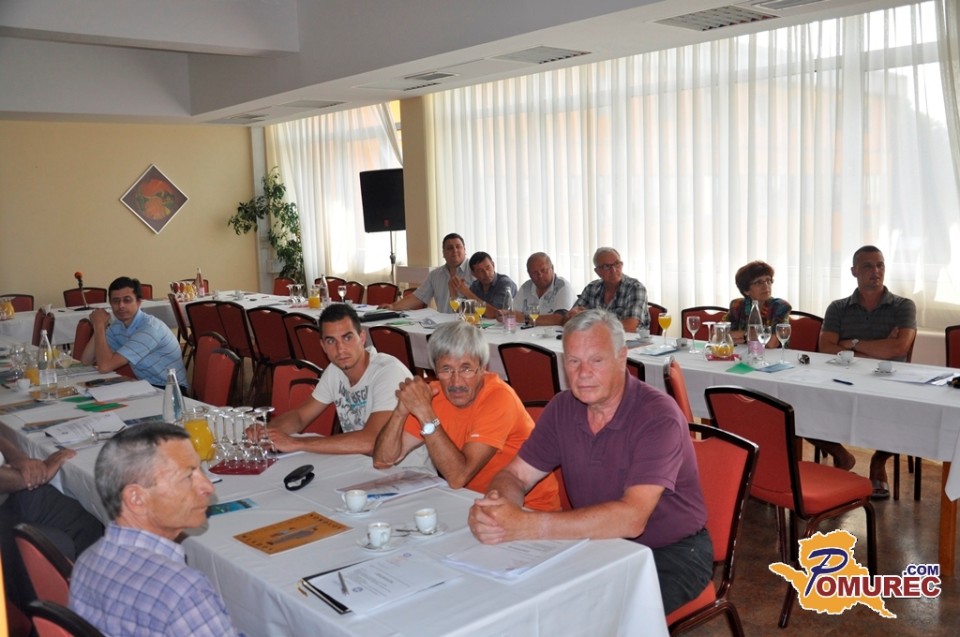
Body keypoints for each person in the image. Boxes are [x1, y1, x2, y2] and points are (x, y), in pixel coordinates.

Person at [467, 310, 711, 615]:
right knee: (515, 599)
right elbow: (515, 475)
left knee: (590, 616)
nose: (583, 373)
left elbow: (631, 518)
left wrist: (524, 525)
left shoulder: (657, 416)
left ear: (621, 358)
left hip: (670, 552)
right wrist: (497, 509)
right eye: (573, 361)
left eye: (596, 360)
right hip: (595, 542)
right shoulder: (563, 408)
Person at [70, 423, 240, 637]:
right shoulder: (182, 592)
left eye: (201, 470)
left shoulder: (87, 560)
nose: (208, 487)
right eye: (188, 477)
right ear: (136, 499)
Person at [372, 321, 561, 511]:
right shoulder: (433, 395)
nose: (456, 382)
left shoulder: (499, 398)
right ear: (434, 370)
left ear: (482, 368)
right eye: (446, 369)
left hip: (529, 509)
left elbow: (458, 477)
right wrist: (400, 411)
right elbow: (383, 460)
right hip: (472, 501)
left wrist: (426, 415)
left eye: (466, 369)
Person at [260, 304, 429, 469]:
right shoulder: (335, 371)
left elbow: (371, 441)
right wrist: (265, 433)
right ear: (323, 346)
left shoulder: (388, 372)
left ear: (362, 338)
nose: (340, 349)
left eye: (347, 338)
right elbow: (300, 416)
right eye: (331, 341)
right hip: (363, 466)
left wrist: (296, 443)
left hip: (407, 472)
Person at [818, 245, 917, 499]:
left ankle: (879, 460)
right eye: (868, 266)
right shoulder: (838, 307)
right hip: (843, 378)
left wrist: (850, 344)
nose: (876, 271)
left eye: (880, 265)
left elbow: (899, 348)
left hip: (889, 380)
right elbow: (826, 347)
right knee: (801, 404)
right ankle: (841, 455)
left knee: (907, 413)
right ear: (854, 271)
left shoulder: (903, 306)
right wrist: (879, 349)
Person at [0, 428, 103, 614]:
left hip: (9, 494)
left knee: (86, 523)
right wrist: (30, 476)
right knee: (52, 550)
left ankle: (95, 607)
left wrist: (20, 459)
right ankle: (45, 619)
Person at [81, 276, 188, 390]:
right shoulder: (118, 325)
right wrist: (100, 327)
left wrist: (99, 326)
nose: (121, 305)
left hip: (171, 389)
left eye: (127, 300)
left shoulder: (149, 328)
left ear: (138, 302)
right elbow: (86, 360)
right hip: (146, 386)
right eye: (116, 301)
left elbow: (104, 367)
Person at [383, 233, 474, 313]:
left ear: (464, 250)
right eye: (450, 248)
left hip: (470, 323)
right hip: (443, 324)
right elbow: (417, 297)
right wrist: (393, 307)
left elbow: (480, 304)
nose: (455, 250)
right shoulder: (435, 275)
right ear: (443, 253)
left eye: (458, 247)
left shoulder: (475, 271)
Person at [566, 247, 646, 333]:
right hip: (594, 338)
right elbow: (569, 320)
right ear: (598, 271)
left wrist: (591, 324)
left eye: (617, 264)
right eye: (606, 266)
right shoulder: (592, 288)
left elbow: (630, 326)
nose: (613, 270)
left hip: (630, 339)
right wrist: (573, 315)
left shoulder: (635, 288)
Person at [723, 260, 791, 347]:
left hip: (774, 355)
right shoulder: (737, 305)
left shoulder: (780, 306)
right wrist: (750, 335)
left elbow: (772, 343)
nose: (766, 286)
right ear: (746, 290)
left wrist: (743, 336)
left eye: (768, 280)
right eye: (759, 282)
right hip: (743, 353)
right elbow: (719, 333)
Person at [511, 252, 575, 326]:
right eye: (535, 272)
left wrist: (525, 318)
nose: (540, 275)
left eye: (543, 270)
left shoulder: (563, 286)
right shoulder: (525, 288)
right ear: (529, 274)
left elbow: (559, 319)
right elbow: (514, 314)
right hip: (527, 332)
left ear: (552, 268)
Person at [453, 251, 518, 318]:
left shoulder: (505, 283)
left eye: (488, 268)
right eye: (480, 271)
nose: (486, 273)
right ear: (473, 274)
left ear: (493, 265)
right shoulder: (476, 285)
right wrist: (453, 289)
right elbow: (461, 310)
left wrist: (466, 292)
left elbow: (496, 314)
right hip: (484, 324)